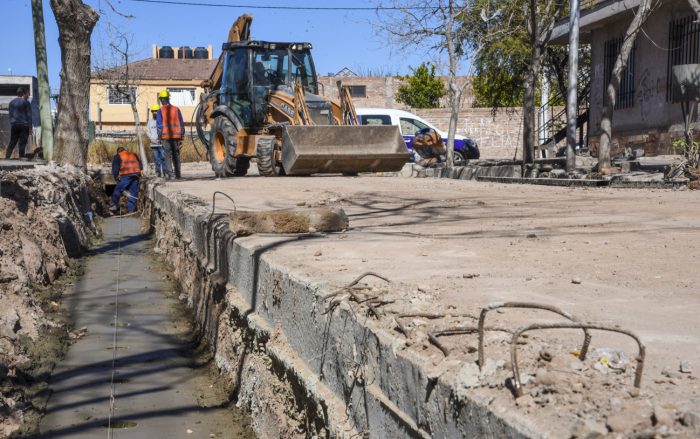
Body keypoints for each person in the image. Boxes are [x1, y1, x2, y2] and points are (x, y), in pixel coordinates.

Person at [156, 90, 185, 179]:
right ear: (168, 98)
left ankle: (171, 175)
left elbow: (159, 125)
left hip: (165, 137)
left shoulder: (160, 110)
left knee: (167, 156)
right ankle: (178, 174)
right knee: (176, 155)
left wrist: (159, 136)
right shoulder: (176, 109)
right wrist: (182, 135)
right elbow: (181, 123)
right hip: (176, 136)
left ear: (161, 99)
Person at [109, 147, 142, 213]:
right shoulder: (133, 154)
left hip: (126, 175)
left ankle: (113, 205)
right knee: (133, 192)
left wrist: (116, 177)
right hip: (136, 174)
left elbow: (115, 169)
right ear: (125, 150)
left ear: (118, 152)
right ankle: (131, 209)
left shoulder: (118, 156)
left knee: (118, 189)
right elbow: (140, 165)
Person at [5, 87, 32, 159]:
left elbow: (10, 114)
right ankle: (21, 157)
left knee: (12, 141)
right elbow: (29, 116)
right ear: (24, 94)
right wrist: (30, 128)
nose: (28, 96)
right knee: (22, 142)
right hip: (24, 125)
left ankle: (7, 157)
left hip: (14, 125)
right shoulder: (26, 102)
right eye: (27, 94)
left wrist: (12, 123)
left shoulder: (11, 102)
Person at [146, 104, 167, 177]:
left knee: (163, 158)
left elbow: (165, 131)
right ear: (152, 112)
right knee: (157, 160)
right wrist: (152, 139)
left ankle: (165, 173)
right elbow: (148, 132)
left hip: (161, 144)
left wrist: (160, 138)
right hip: (153, 144)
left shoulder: (163, 121)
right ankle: (158, 173)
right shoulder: (150, 122)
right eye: (153, 111)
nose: (155, 113)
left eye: (156, 111)